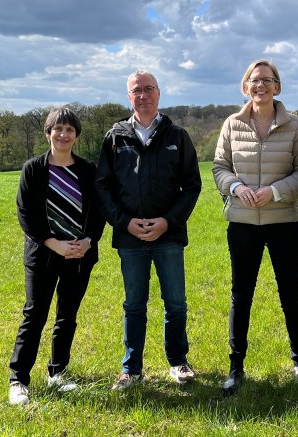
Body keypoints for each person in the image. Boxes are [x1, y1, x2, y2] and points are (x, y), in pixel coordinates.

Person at [212, 59, 298, 395]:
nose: (261, 86)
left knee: (290, 295)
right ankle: (235, 367)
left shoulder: (295, 125)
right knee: (241, 295)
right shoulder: (231, 124)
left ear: (277, 87)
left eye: (268, 80)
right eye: (255, 80)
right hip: (242, 223)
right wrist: (235, 188)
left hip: (283, 222)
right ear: (245, 87)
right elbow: (220, 167)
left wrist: (274, 192)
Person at [95, 70, 202, 390]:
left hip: (167, 235)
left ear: (159, 93)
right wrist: (124, 221)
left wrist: (167, 221)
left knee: (176, 303)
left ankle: (178, 362)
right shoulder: (115, 137)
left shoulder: (177, 136)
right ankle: (131, 369)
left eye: (148, 89)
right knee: (134, 304)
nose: (143, 95)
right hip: (130, 237)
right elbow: (103, 187)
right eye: (136, 90)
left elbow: (192, 186)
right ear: (129, 96)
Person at [8, 106, 106, 405]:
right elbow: (26, 215)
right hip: (44, 256)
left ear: (76, 136)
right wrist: (54, 244)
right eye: (57, 129)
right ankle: (18, 380)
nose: (63, 134)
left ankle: (57, 373)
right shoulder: (34, 169)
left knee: (67, 316)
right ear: (48, 133)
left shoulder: (88, 170)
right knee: (35, 315)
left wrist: (88, 241)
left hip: (80, 255)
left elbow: (99, 210)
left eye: (69, 130)